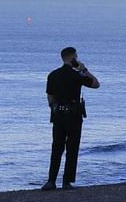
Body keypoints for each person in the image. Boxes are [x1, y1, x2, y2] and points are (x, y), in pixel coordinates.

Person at [41, 47, 100, 191]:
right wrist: (84, 69)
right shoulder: (77, 75)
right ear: (73, 58)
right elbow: (96, 84)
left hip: (58, 115)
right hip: (73, 115)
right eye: (76, 57)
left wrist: (55, 110)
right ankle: (67, 182)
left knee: (56, 148)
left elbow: (50, 97)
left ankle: (51, 181)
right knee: (72, 148)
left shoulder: (53, 75)